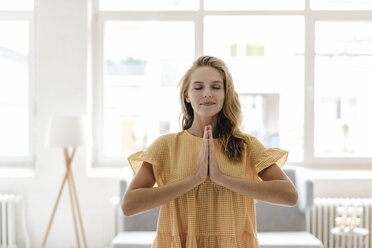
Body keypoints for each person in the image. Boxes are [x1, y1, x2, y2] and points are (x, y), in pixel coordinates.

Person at [122, 55, 298, 248]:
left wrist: (221, 178)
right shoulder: (165, 146)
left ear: (225, 94)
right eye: (198, 87)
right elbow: (129, 205)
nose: (207, 94)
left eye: (216, 87)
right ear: (187, 95)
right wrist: (195, 178)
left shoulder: (247, 145)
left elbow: (289, 196)